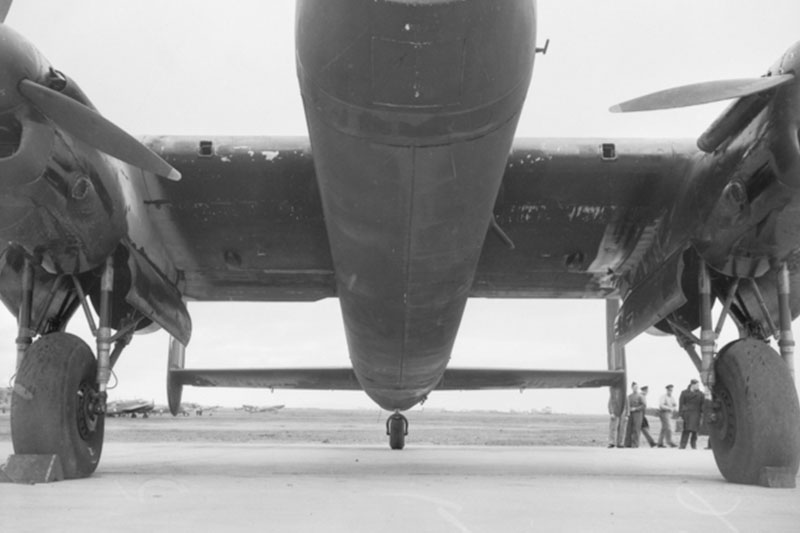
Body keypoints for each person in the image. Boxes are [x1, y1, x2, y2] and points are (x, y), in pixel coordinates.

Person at [679, 379, 704, 449]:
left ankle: (693, 445)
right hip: (687, 414)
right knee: (686, 430)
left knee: (695, 431)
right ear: (692, 385)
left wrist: (703, 413)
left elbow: (703, 404)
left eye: (698, 385)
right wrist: (680, 415)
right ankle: (682, 445)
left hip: (696, 413)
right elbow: (681, 404)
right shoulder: (684, 393)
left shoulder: (701, 394)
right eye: (697, 385)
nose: (698, 386)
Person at [624, 382, 645, 447]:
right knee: (628, 429)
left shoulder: (640, 396)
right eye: (634, 387)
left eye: (637, 387)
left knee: (636, 429)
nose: (635, 388)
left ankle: (635, 444)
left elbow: (643, 405)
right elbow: (626, 405)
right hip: (630, 414)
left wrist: (635, 408)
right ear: (632, 388)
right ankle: (627, 444)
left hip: (638, 414)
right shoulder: (629, 396)